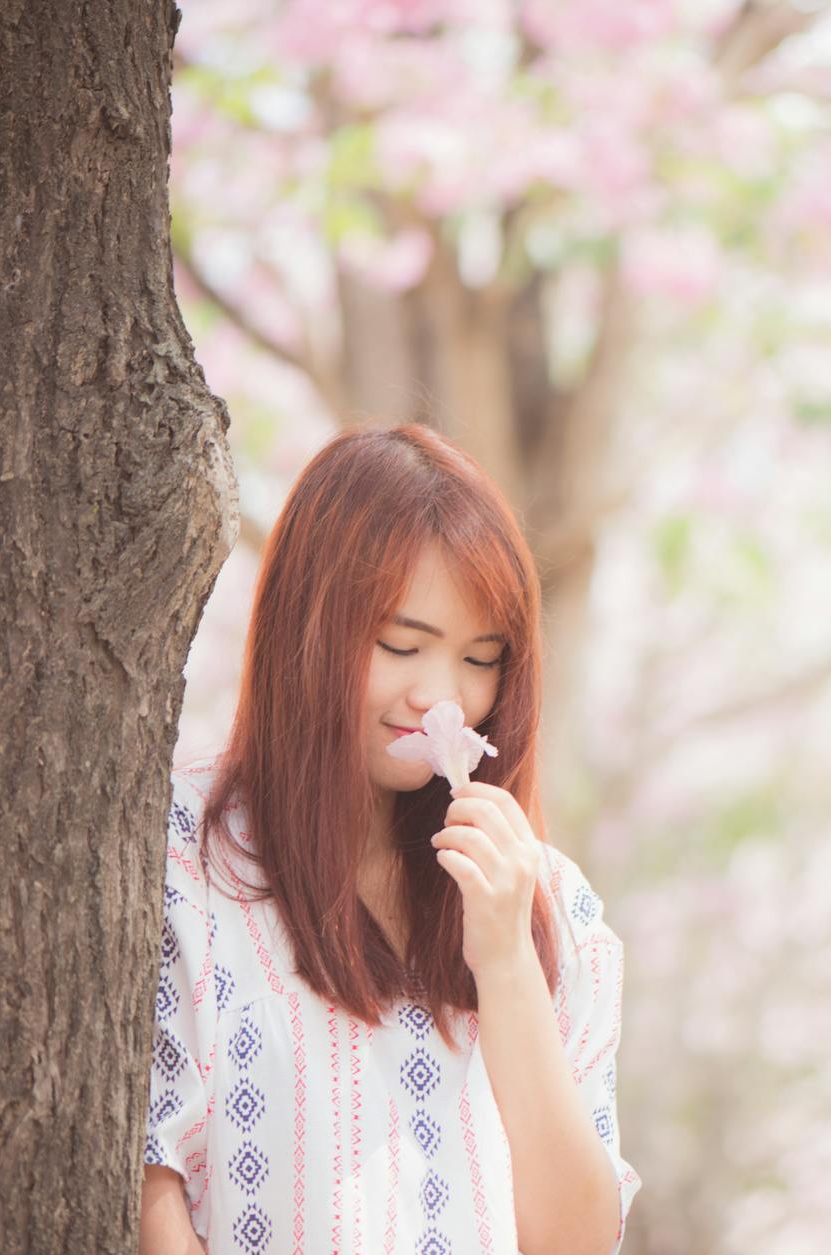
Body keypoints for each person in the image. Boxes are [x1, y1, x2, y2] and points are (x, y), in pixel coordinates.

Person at [139, 425, 640, 1254]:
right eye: (402, 645)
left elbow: (576, 1242)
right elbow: (150, 1191)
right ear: (309, 626)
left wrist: (508, 964)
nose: (442, 697)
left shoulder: (556, 910)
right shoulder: (182, 855)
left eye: (481, 659)